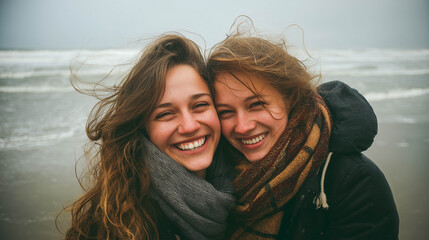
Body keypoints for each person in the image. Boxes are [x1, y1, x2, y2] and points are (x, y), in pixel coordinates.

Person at [206, 32, 399, 239]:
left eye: (257, 105)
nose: (243, 127)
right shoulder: (215, 177)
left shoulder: (354, 181)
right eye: (225, 112)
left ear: (289, 98)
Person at [60, 34, 235, 240]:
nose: (189, 126)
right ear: (143, 129)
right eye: (165, 114)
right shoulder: (122, 227)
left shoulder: (245, 191)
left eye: (200, 105)